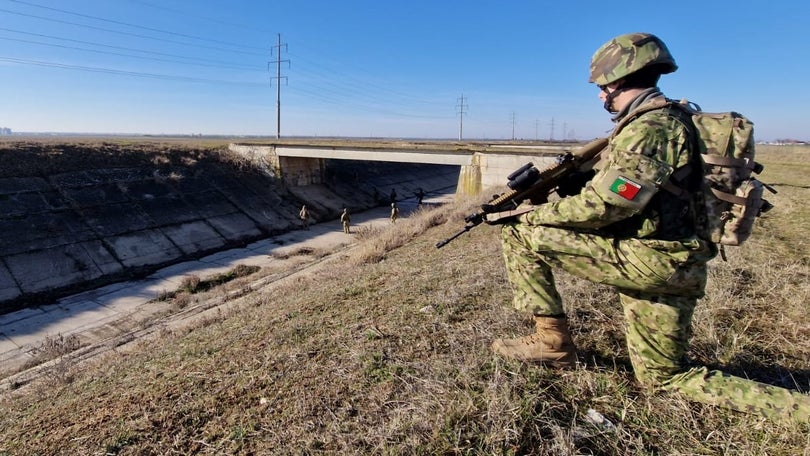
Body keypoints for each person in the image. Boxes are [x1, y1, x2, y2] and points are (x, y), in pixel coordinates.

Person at [491, 32, 810, 423]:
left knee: (519, 234)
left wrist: (529, 215)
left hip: (653, 260)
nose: (599, 95)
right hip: (678, 260)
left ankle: (551, 342)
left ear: (620, 79)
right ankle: (800, 409)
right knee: (665, 378)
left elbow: (608, 205)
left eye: (602, 86)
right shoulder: (678, 118)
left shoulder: (651, 128)